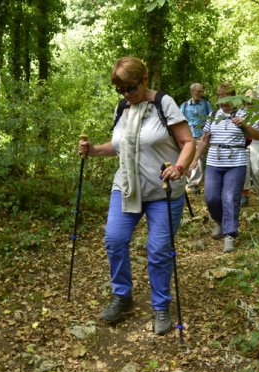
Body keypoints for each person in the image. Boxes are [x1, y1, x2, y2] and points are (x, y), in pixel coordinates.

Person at [78, 56, 195, 335]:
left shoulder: (163, 103)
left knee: (158, 251)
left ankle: (161, 306)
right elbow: (120, 147)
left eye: (130, 88)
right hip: (127, 188)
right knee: (114, 239)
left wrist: (180, 167)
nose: (126, 95)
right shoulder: (122, 108)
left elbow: (188, 142)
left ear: (144, 80)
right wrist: (94, 150)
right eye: (120, 90)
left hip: (163, 192)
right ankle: (123, 296)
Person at [189, 83, 259, 253]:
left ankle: (230, 234)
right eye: (219, 96)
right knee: (211, 197)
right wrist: (193, 161)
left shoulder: (244, 114)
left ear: (233, 98)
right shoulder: (213, 115)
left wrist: (244, 125)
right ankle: (220, 221)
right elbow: (204, 139)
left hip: (236, 162)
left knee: (230, 198)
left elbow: (257, 135)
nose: (222, 100)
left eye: (225, 96)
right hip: (214, 162)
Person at [180, 83, 213, 194]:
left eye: (201, 91)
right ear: (192, 91)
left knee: (198, 159)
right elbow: (179, 120)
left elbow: (212, 119)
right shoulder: (185, 105)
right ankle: (189, 181)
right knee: (188, 157)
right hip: (188, 135)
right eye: (198, 91)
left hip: (201, 134)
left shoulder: (206, 104)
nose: (200, 94)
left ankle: (194, 184)